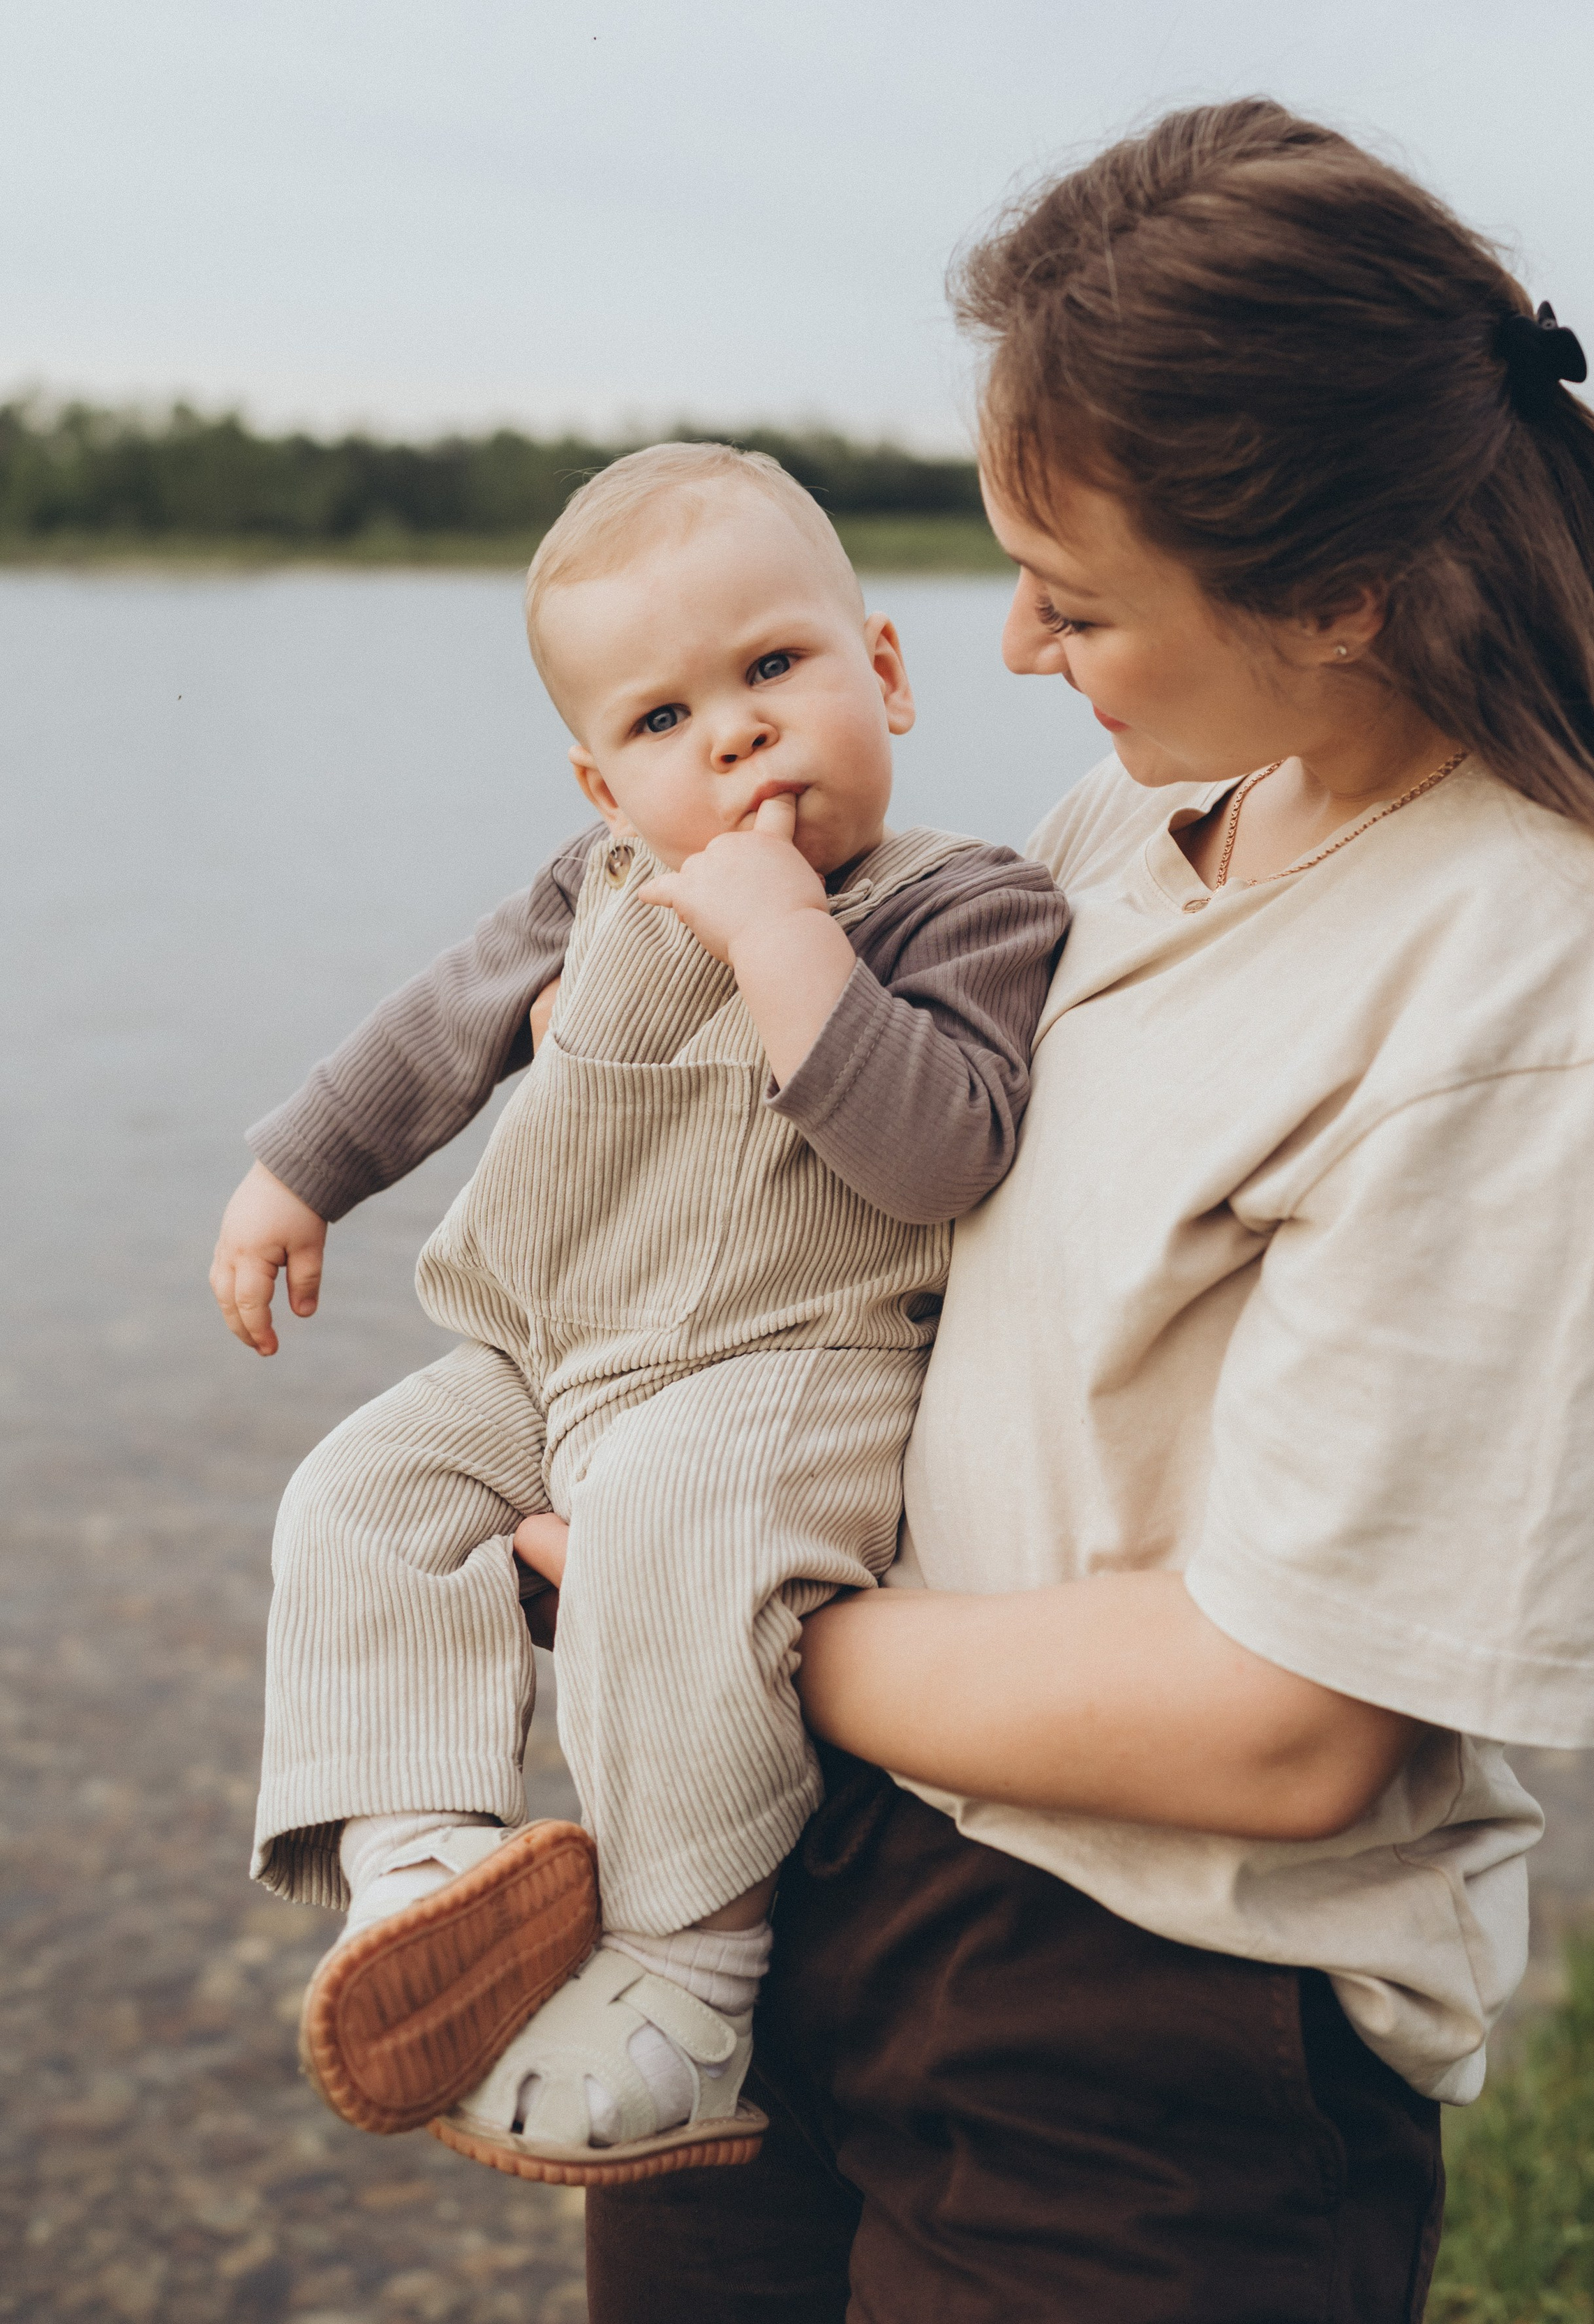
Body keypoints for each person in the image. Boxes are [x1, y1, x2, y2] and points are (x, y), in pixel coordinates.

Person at [579, 103, 1594, 2323]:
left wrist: (725, 1627)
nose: (1022, 645)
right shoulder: (1140, 827)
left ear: (1339, 593)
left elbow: (1289, 1720)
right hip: (821, 1881)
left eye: (1084, 594)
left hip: (1150, 2037)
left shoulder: (1532, 970)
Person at [209, 442, 1067, 2183]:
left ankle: (689, 1970)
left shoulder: (964, 908)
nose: (734, 738)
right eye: (664, 722)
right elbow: (433, 1032)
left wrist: (783, 944)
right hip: (553, 1352)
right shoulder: (591, 892)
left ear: (881, 671)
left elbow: (941, 1154)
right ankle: (427, 1857)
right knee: (359, 1497)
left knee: (672, 1531)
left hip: (790, 1369)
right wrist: (299, 1167)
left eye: (772, 670)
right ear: (603, 783)